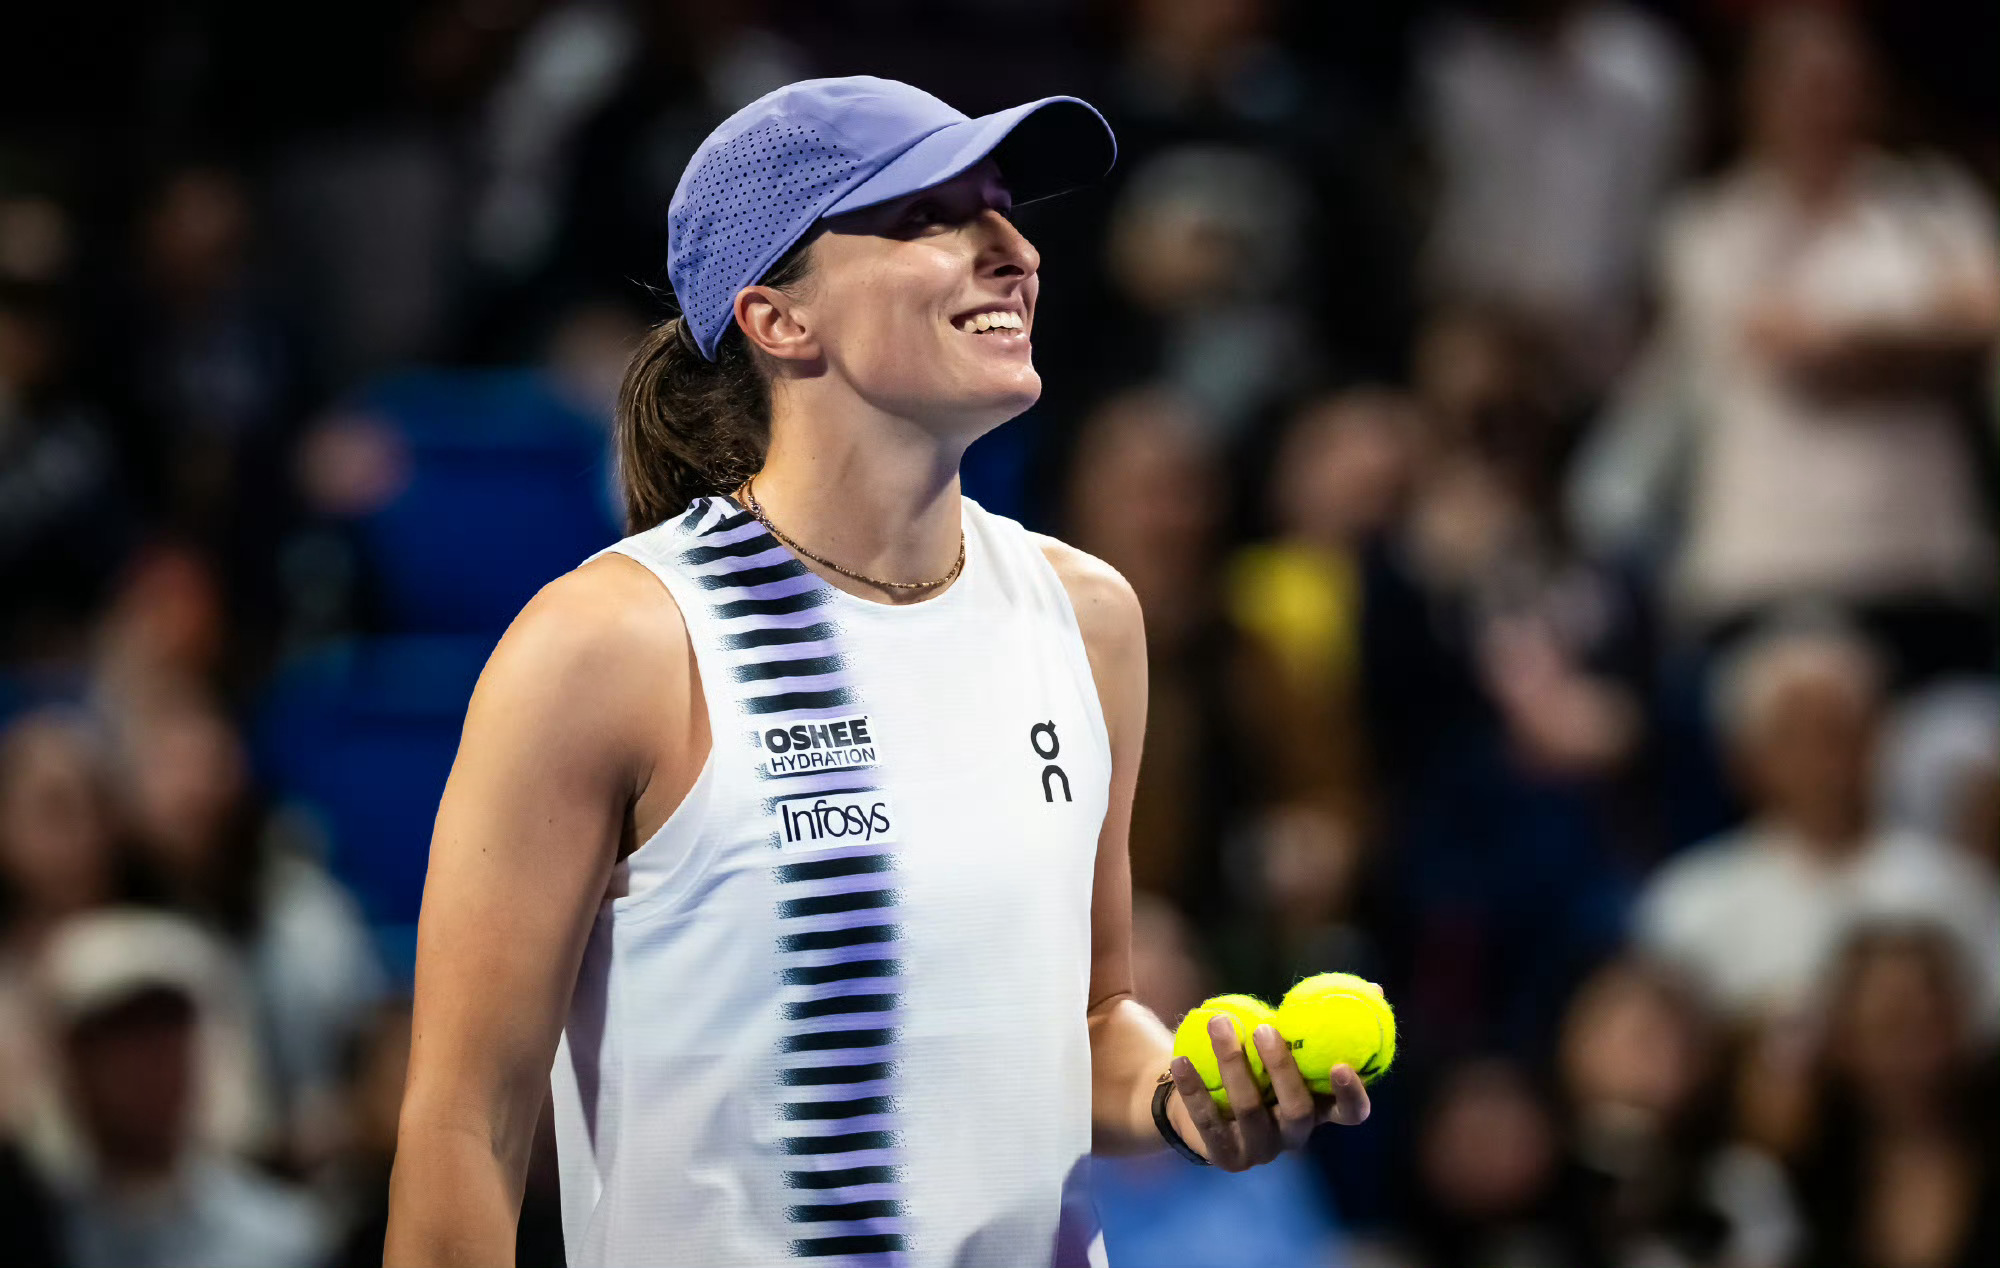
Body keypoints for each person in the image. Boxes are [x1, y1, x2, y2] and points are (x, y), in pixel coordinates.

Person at [385, 76, 1370, 1268]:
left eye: (1002, 211)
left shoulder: (1088, 616)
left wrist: (1177, 1092)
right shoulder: (612, 641)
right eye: (929, 218)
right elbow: (464, 1123)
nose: (1013, 252)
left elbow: (1083, 1019)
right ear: (777, 319)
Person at [1634, 624, 2000, 1029]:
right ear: (1744, 760)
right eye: (1794, 736)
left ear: (1878, 740)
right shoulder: (1691, 901)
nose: (1821, 760)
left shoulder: (1955, 888)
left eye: (1838, 732)